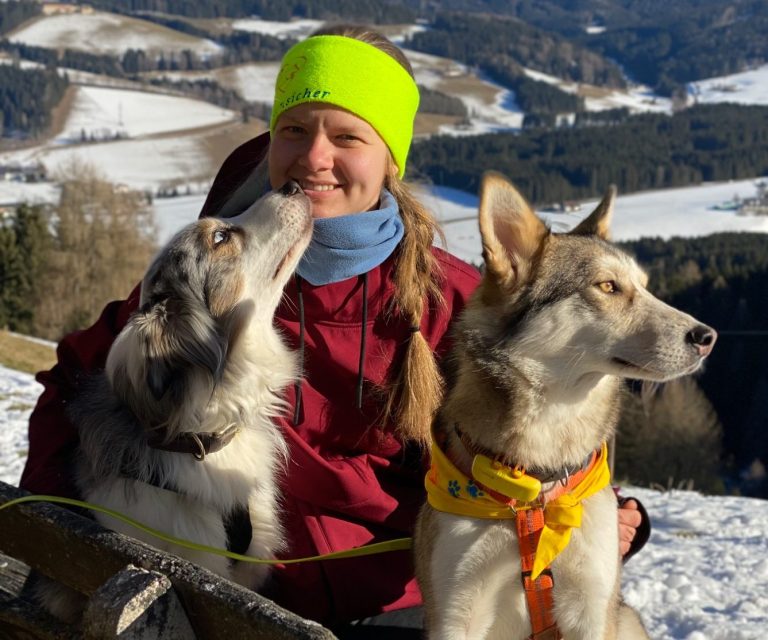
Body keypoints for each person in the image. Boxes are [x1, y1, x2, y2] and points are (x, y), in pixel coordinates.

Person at [21, 25, 648, 635]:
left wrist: (614, 513)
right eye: (295, 130)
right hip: (233, 600)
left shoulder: (453, 302)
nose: (315, 157)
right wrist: (58, 530)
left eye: (348, 137)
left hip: (404, 605)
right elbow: (71, 381)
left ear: (389, 162)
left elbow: (537, 428)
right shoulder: (216, 282)